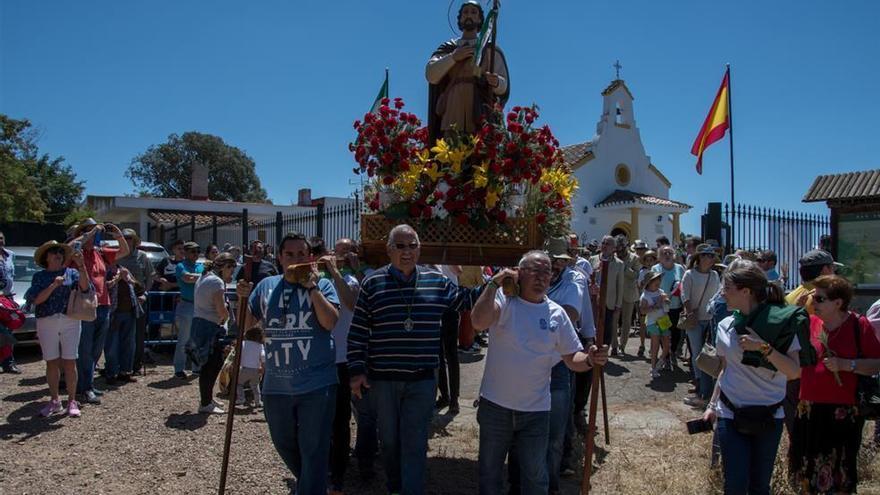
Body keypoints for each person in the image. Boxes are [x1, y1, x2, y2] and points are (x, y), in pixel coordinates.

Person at [347, 224, 480, 495]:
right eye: (400, 246)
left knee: (415, 441)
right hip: (383, 380)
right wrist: (357, 371)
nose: (406, 251)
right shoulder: (372, 283)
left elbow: (467, 301)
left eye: (412, 245)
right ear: (388, 250)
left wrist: (497, 285)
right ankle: (396, 486)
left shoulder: (437, 282)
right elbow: (358, 331)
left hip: (422, 379)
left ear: (419, 249)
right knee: (390, 442)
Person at [471, 251, 608, 495]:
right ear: (519, 273)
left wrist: (589, 359)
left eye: (547, 271)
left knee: (536, 478)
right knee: (489, 475)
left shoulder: (557, 314)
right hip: (496, 407)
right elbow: (478, 322)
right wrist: (494, 283)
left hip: (535, 412)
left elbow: (571, 357)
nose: (541, 277)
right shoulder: (504, 301)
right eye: (534, 270)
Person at [243, 232, 339, 495]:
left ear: (310, 257)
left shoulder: (324, 285)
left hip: (317, 384)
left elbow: (330, 322)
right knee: (284, 443)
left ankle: (311, 488)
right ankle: (312, 483)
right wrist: (240, 300)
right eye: (290, 255)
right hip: (276, 384)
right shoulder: (266, 286)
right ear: (280, 257)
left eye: (301, 254)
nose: (296, 259)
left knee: (315, 447)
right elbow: (246, 325)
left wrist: (312, 288)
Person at [702, 261, 806, 495]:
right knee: (735, 485)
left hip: (769, 416)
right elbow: (725, 369)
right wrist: (711, 406)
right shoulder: (725, 326)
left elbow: (793, 372)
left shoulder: (782, 325)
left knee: (760, 486)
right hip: (730, 413)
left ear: (745, 291)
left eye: (727, 288)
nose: (722, 293)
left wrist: (764, 348)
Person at [508, 238, 585, 495]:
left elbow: (571, 314)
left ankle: (550, 485)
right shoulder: (521, 286)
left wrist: (536, 309)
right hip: (528, 364)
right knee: (521, 431)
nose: (556, 267)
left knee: (553, 434)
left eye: (556, 263)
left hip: (558, 364)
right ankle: (517, 485)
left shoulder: (573, 282)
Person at [791, 275, 880, 493]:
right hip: (809, 408)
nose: (814, 302)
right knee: (806, 470)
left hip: (843, 410)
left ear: (838, 302)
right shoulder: (810, 323)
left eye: (820, 299)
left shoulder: (859, 325)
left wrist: (846, 364)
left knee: (840, 471)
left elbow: (875, 364)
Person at [426, 0, 510, 143]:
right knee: (450, 148)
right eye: (465, 12)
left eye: (473, 12)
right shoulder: (449, 48)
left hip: (479, 110)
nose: (469, 15)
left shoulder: (489, 49)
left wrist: (496, 82)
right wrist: (453, 57)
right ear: (459, 18)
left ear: (479, 19)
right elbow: (431, 74)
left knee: (478, 150)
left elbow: (504, 86)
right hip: (452, 108)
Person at [68, 219, 130, 405]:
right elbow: (69, 247)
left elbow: (124, 251)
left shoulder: (99, 253)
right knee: (85, 348)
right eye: (87, 232)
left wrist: (117, 234)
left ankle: (88, 384)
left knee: (96, 349)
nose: (93, 236)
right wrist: (92, 230)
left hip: (103, 305)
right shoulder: (75, 252)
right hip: (83, 306)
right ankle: (83, 388)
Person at [26, 241, 91, 417]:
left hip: (70, 319)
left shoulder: (72, 273)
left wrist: (81, 266)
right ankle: (54, 400)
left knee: (70, 361)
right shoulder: (39, 277)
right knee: (51, 361)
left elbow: (86, 288)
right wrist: (53, 285)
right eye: (54, 251)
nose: (58, 254)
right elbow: (36, 300)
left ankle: (71, 400)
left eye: (61, 251)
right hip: (47, 320)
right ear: (46, 257)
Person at [326, 237, 362, 494]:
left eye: (345, 251)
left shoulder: (352, 279)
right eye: (337, 251)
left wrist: (337, 271)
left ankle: (339, 472)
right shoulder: (322, 278)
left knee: (341, 419)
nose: (340, 254)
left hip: (343, 357)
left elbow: (351, 302)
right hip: (322, 357)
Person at [187, 252, 239, 413]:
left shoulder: (205, 277)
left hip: (200, 324)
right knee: (211, 365)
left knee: (210, 364)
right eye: (231, 270)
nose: (232, 274)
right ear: (225, 267)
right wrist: (227, 319)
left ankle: (207, 399)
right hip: (210, 326)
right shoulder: (216, 282)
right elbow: (221, 310)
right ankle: (205, 403)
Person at [681, 244, 721, 408]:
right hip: (695, 319)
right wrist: (690, 313)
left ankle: (705, 389)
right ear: (699, 257)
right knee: (697, 353)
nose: (708, 258)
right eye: (705, 255)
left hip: (710, 318)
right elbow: (685, 295)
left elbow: (717, 295)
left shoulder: (715, 275)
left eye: (711, 256)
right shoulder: (689, 274)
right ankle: (700, 387)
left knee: (709, 354)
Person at [116, 228, 155, 375]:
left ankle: (135, 365)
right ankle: (118, 365)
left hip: (138, 299)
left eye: (129, 237)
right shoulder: (117, 256)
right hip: (120, 300)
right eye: (124, 237)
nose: (127, 240)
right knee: (118, 335)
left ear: (134, 240)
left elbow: (150, 276)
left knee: (138, 335)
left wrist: (145, 294)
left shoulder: (142, 256)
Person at [104, 263, 144, 385]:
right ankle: (111, 373)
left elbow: (139, 288)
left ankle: (125, 372)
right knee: (112, 345)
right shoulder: (105, 270)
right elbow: (103, 288)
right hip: (114, 313)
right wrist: (117, 279)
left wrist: (129, 279)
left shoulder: (124, 269)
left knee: (129, 344)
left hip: (129, 313)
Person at [651, 245, 686, 369]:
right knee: (664, 333)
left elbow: (684, 286)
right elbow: (651, 287)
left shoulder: (680, 268)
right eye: (664, 253)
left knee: (676, 333)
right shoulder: (655, 268)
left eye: (670, 252)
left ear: (674, 255)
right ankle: (666, 357)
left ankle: (673, 352)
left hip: (676, 307)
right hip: (661, 308)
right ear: (659, 257)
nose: (667, 255)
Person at [173, 241, 203, 378]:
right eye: (192, 251)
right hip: (186, 305)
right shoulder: (180, 266)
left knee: (197, 339)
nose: (195, 254)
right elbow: (187, 278)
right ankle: (179, 368)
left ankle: (196, 367)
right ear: (185, 253)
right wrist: (203, 277)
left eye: (197, 251)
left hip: (199, 306)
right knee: (184, 339)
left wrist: (201, 277)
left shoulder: (200, 266)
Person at [436, 264, 464, 414]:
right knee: (438, 354)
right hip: (434, 303)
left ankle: (454, 399)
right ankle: (445, 396)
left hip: (450, 304)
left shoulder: (448, 257)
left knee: (451, 354)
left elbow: (458, 271)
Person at [589, 235, 624, 355]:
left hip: (609, 302)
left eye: (608, 243)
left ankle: (604, 353)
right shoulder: (593, 259)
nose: (604, 245)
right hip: (593, 301)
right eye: (603, 242)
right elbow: (589, 279)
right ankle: (592, 351)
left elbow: (620, 285)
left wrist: (618, 305)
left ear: (613, 248)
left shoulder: (619, 264)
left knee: (607, 329)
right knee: (593, 326)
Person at [786, 249, 843, 314]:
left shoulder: (788, 298)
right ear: (824, 270)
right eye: (833, 268)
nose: (834, 273)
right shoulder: (825, 299)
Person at [640, 271, 670, 378]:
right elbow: (643, 311)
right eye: (654, 280)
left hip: (664, 320)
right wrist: (654, 306)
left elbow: (667, 304)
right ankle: (653, 367)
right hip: (652, 322)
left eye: (659, 279)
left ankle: (660, 362)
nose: (658, 282)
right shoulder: (645, 295)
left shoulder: (661, 291)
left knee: (667, 345)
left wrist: (666, 300)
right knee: (655, 345)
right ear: (649, 283)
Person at [615, 235, 640, 357]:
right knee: (613, 321)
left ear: (626, 246)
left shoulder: (634, 258)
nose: (619, 251)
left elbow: (636, 275)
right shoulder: (613, 257)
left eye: (621, 248)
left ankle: (622, 346)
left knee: (626, 322)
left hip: (629, 294)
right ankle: (614, 346)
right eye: (617, 248)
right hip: (614, 294)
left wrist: (624, 267)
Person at [0, 231, 21, 373]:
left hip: (8, 298)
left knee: (9, 331)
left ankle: (8, 362)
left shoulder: (10, 254)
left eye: (1, 238)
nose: (0, 241)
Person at [237, 326, 265, 408]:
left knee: (239, 384)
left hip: (244, 368)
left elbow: (238, 355)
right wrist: (262, 368)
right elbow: (263, 356)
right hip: (256, 370)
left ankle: (241, 399)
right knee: (255, 386)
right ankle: (258, 402)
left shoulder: (243, 343)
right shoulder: (260, 346)